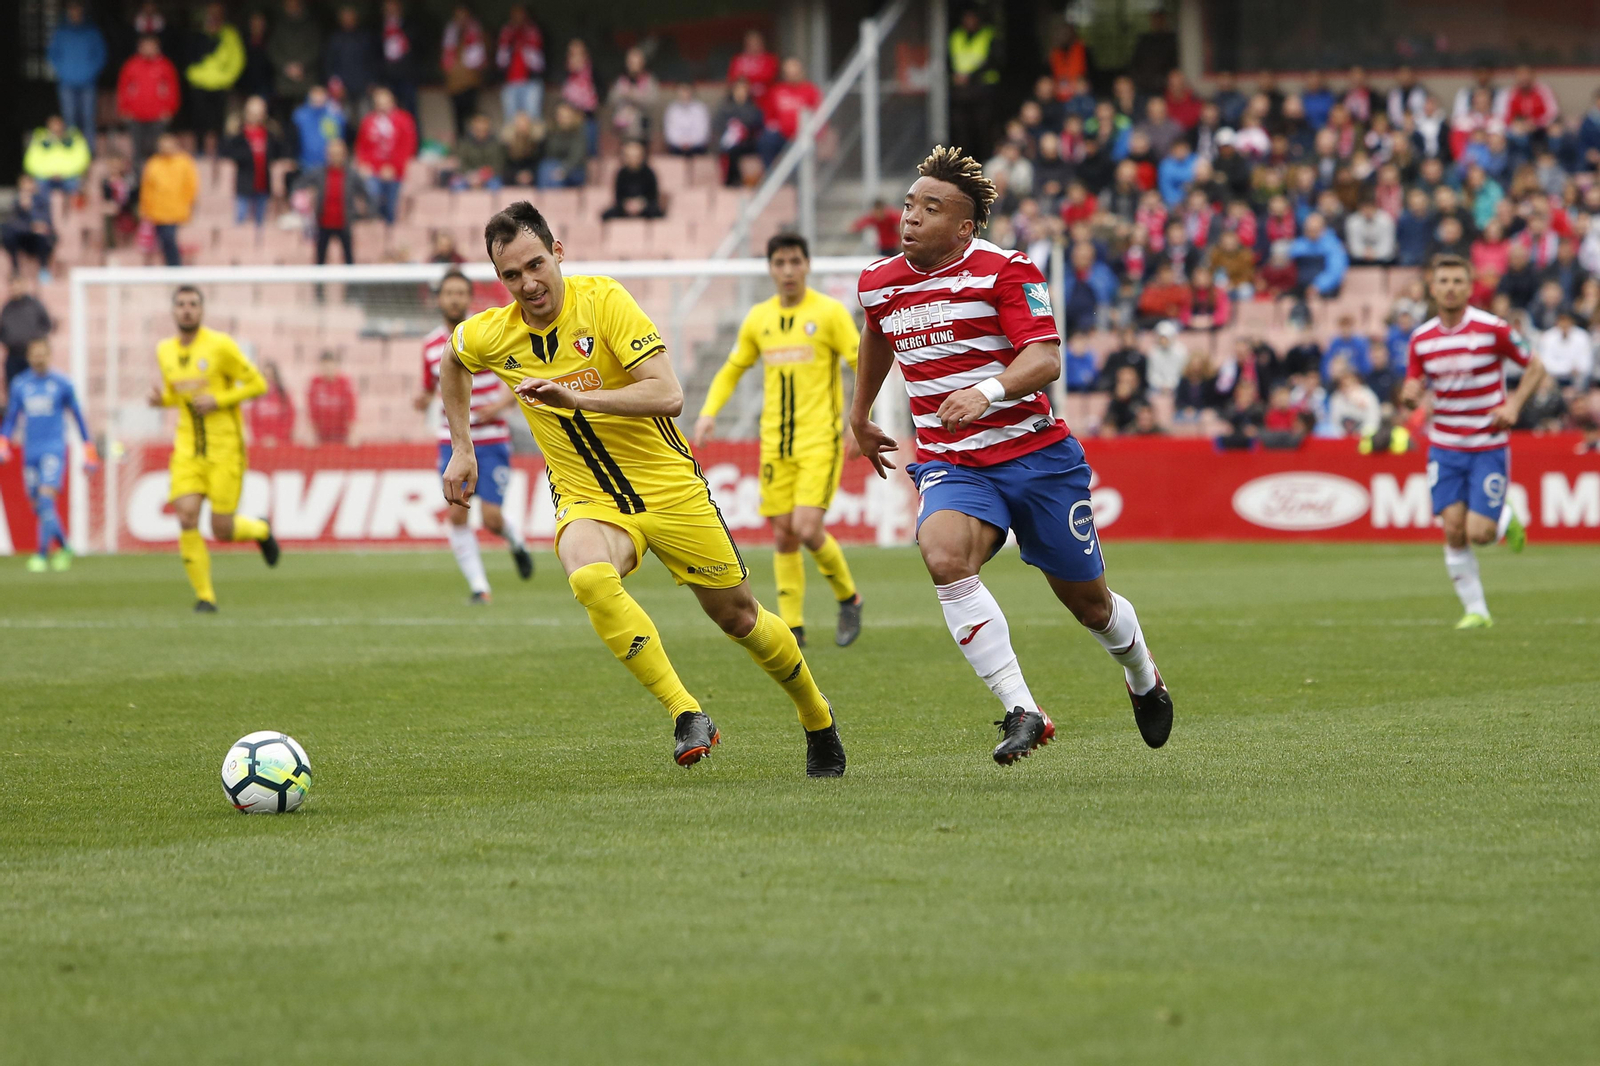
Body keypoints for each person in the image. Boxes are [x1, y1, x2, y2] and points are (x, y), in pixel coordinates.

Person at [440, 201, 846, 777]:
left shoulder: (604, 301)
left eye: (536, 264)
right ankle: (687, 713)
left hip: (671, 491)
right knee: (584, 570)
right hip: (591, 501)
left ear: (558, 253)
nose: (528, 284)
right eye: (511, 275)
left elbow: (668, 394)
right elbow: (453, 363)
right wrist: (462, 446)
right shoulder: (492, 334)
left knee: (740, 620)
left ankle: (816, 714)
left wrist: (579, 398)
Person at [849, 145, 1173, 766]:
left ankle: (1141, 674)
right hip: (954, 462)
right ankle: (1023, 709)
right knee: (942, 554)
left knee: (1090, 606)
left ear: (964, 226)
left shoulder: (1007, 270)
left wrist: (986, 390)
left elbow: (1046, 359)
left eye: (930, 208)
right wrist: (859, 415)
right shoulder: (878, 283)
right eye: (911, 204)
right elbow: (876, 335)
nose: (911, 217)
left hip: (1037, 460)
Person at [693, 235, 863, 648]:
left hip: (819, 440)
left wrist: (861, 420)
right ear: (771, 268)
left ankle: (849, 597)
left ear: (807, 265)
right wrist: (709, 411)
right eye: (780, 263)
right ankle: (794, 627)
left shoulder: (829, 313)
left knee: (806, 527)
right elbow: (733, 368)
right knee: (784, 534)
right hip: (775, 444)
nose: (787, 271)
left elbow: (862, 363)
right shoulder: (759, 319)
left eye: (794, 262)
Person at [1401, 255, 1547, 629]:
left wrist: (1513, 403)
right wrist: (1409, 394)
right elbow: (1412, 385)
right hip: (1445, 445)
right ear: (1433, 289)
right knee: (1453, 529)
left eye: (1457, 281)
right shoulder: (1421, 338)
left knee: (1478, 533)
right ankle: (1477, 610)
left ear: (1469, 287)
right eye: (1444, 281)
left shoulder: (1492, 329)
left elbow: (1536, 366)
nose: (1450, 287)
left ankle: (1504, 517)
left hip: (1487, 443)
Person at [146, 286, 280, 611]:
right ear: (173, 311)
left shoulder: (220, 346)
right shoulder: (164, 350)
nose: (187, 310)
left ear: (202, 310)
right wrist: (161, 400)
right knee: (186, 515)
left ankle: (260, 529)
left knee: (222, 528)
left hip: (225, 448)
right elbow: (177, 394)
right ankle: (205, 596)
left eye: (193, 304)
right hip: (188, 448)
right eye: (181, 305)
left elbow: (258, 384)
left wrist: (219, 400)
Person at [415, 269, 534, 602]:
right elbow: (428, 389)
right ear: (439, 299)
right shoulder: (429, 346)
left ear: (469, 299)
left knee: (492, 519)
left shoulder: (485, 335)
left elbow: (520, 376)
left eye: (460, 293)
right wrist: (421, 399)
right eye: (448, 293)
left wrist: (499, 405)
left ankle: (516, 542)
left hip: (492, 437)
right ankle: (480, 588)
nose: (454, 298)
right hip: (452, 441)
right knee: (457, 512)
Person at [0, 338, 98, 571]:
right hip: (30, 451)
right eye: (34, 354)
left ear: (49, 355)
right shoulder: (21, 384)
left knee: (46, 500)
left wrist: (89, 451)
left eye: (42, 353)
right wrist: (3, 443)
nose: (38, 358)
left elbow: (78, 417)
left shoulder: (62, 383)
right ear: (29, 357)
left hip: (53, 449)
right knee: (39, 506)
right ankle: (64, 547)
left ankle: (42, 555)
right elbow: (12, 417)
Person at [47, 2, 107, 155]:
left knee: (88, 119)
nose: (75, 14)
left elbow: (100, 56)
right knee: (69, 119)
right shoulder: (61, 32)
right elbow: (53, 55)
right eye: (72, 11)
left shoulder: (92, 32)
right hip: (67, 82)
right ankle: (71, 153)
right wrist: (62, 72)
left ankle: (89, 154)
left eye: (77, 11)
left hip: (88, 82)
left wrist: (91, 73)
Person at [297, 138, 367, 267]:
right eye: (332, 154)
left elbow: (366, 194)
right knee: (320, 259)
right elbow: (299, 185)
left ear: (345, 155)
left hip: (344, 222)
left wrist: (365, 214)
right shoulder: (319, 173)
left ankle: (350, 286)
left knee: (349, 258)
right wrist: (304, 198)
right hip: (323, 222)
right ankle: (319, 286)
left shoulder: (352, 175)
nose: (335, 157)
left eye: (338, 153)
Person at [185, 3, 245, 154]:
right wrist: (194, 76)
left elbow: (237, 60)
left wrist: (226, 79)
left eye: (217, 13)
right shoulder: (197, 33)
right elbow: (188, 57)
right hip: (199, 84)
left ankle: (220, 151)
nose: (213, 16)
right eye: (210, 13)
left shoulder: (230, 34)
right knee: (199, 120)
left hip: (221, 85)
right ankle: (199, 150)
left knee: (219, 122)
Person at [354, 87, 418, 225]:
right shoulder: (368, 121)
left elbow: (407, 147)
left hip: (394, 171)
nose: (382, 106)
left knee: (390, 209)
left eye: (385, 102)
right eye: (378, 103)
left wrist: (394, 167)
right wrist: (363, 164)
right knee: (372, 195)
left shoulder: (404, 120)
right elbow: (361, 146)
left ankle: (390, 233)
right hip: (372, 169)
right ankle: (374, 227)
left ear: (392, 102)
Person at [117, 35, 181, 172]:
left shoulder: (165, 66)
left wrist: (170, 109)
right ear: (139, 47)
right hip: (135, 115)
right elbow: (123, 88)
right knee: (137, 150)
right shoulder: (131, 65)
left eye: (151, 45)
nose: (148, 49)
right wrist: (124, 109)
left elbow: (173, 89)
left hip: (158, 116)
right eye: (145, 45)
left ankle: (157, 180)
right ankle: (138, 182)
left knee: (157, 150)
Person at [220, 96, 284, 229]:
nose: (256, 116)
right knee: (240, 220)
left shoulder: (269, 134)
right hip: (245, 183)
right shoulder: (239, 134)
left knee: (261, 224)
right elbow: (226, 152)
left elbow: (279, 152)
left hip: (263, 183)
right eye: (253, 112)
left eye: (260, 112)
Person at [948, 7, 1001, 162]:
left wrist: (970, 76)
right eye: (967, 17)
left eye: (973, 17)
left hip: (983, 91)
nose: (969, 21)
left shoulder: (989, 35)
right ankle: (963, 166)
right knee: (961, 131)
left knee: (983, 130)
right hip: (961, 94)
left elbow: (994, 61)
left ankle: (984, 163)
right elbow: (948, 61)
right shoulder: (956, 37)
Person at [139, 133, 198, 267]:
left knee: (169, 238)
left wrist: (189, 204)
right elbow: (147, 188)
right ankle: (170, 266)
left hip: (176, 210)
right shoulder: (154, 163)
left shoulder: (184, 162)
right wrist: (145, 208)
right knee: (163, 240)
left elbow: (191, 186)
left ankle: (175, 266)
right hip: (157, 211)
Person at [267, 0, 322, 126]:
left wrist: (301, 66)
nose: (292, 8)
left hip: (306, 81)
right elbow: (272, 50)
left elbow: (316, 48)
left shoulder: (310, 25)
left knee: (308, 121)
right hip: (283, 84)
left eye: (295, 5)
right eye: (288, 5)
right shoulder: (278, 26)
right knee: (284, 121)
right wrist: (285, 67)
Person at [757, 57, 821, 166]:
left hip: (803, 135)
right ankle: (771, 176)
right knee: (766, 140)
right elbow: (770, 117)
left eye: (794, 72)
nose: (791, 75)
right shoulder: (777, 91)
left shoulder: (811, 90)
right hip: (781, 135)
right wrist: (777, 128)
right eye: (788, 72)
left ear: (801, 71)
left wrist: (811, 134)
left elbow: (819, 116)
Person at [324, 5, 378, 120]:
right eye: (345, 18)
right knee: (343, 119)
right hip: (342, 87)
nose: (348, 21)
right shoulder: (335, 39)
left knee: (366, 118)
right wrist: (335, 85)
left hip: (363, 85)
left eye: (351, 18)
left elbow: (373, 61)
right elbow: (329, 64)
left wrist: (372, 81)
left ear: (356, 19)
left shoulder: (365, 37)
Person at [440, 5, 487, 138]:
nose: (461, 20)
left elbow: (480, 58)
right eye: (458, 16)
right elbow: (446, 59)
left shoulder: (476, 31)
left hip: (471, 82)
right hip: (454, 83)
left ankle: (475, 142)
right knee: (458, 117)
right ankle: (462, 145)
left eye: (463, 16)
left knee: (473, 116)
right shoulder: (450, 32)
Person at [23, 117, 91, 207]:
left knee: (76, 185)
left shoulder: (74, 139)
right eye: (53, 130)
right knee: (38, 185)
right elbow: (30, 163)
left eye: (59, 130)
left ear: (64, 128)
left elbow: (83, 160)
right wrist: (50, 174)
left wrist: (62, 174)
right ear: (48, 129)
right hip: (46, 178)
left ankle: (71, 216)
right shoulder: (40, 140)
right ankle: (45, 215)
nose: (56, 133)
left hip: (69, 177)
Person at [495, 5, 545, 123]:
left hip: (531, 83)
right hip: (510, 83)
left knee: (533, 119)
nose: (518, 19)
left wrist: (524, 44)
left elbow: (539, 64)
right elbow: (500, 62)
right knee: (510, 120)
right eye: (515, 16)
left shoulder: (534, 31)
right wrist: (509, 43)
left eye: (521, 15)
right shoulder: (506, 31)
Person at [1, 276, 53, 387]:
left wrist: (36, 339)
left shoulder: (35, 304)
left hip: (32, 355)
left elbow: (47, 324)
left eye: (17, 284)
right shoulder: (7, 308)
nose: (15, 288)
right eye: (12, 285)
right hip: (13, 355)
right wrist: (8, 341)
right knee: (13, 387)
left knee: (35, 387)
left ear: (24, 285)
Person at [4, 177, 58, 282]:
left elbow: (46, 222)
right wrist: (25, 212)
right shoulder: (17, 203)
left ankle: (44, 269)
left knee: (42, 235)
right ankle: (16, 269)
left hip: (39, 240)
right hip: (23, 237)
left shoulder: (41, 200)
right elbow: (13, 224)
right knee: (8, 234)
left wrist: (30, 210)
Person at [714, 80, 764, 187]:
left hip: (749, 142)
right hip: (730, 142)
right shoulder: (725, 108)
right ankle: (732, 180)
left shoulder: (753, 107)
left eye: (744, 89)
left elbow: (758, 124)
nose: (741, 92)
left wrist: (744, 130)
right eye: (738, 89)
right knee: (730, 150)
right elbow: (718, 125)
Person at [600, 140, 662, 220]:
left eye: (636, 156)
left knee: (656, 213)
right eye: (629, 156)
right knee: (607, 215)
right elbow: (618, 197)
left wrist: (641, 204)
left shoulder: (649, 173)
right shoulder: (621, 174)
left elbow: (653, 197)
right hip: (625, 207)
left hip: (645, 207)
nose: (632, 159)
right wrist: (626, 205)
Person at [377, 0, 418, 118]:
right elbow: (376, 52)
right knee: (389, 110)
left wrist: (400, 31)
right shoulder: (380, 27)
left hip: (407, 74)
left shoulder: (409, 24)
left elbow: (417, 45)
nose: (391, 11)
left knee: (410, 108)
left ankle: (413, 136)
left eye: (394, 8)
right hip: (388, 74)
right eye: (388, 8)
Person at [608, 46, 658, 143]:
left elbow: (653, 103)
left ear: (642, 63)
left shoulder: (649, 81)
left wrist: (635, 96)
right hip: (623, 131)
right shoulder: (621, 80)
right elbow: (611, 101)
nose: (633, 65)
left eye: (636, 62)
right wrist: (623, 94)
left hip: (642, 131)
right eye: (631, 62)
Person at [291, 84, 346, 171]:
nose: (318, 99)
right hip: (305, 163)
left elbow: (337, 139)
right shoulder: (300, 115)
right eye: (315, 96)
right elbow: (293, 139)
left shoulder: (334, 116)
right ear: (309, 97)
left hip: (329, 165)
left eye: (321, 96)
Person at [307, 350, 357, 444]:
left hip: (342, 437)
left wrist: (352, 434)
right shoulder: (315, 383)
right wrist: (311, 434)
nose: (328, 369)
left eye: (330, 365)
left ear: (336, 365)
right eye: (324, 366)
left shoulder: (345, 383)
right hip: (321, 438)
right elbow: (312, 411)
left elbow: (351, 410)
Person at [1538, 308, 1593, 389]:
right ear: (1557, 321)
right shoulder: (1548, 337)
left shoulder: (1582, 337)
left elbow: (1586, 365)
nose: (1564, 324)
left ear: (1572, 321)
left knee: (1582, 381)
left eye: (1567, 320)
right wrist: (1568, 368)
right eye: (1562, 320)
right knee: (1545, 381)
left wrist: (1573, 370)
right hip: (1554, 379)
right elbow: (1546, 364)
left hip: (1576, 380)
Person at [537, 102, 588, 189]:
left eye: (565, 116)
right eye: (560, 116)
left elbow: (576, 157)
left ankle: (554, 200)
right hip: (554, 166)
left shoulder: (578, 134)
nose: (562, 119)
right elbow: (548, 153)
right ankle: (545, 199)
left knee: (554, 174)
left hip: (575, 170)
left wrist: (564, 170)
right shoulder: (552, 132)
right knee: (545, 167)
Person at [450, 113, 506, 191]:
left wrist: (483, 175)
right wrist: (471, 176)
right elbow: (462, 164)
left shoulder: (496, 144)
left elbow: (498, 164)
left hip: (490, 176)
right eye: (478, 129)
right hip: (469, 175)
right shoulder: (465, 143)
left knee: (495, 186)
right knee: (457, 186)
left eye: (484, 129)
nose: (481, 132)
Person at [249, 361, 296, 445]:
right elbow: (253, 421)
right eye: (265, 376)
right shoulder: (256, 397)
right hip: (262, 444)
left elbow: (290, 418)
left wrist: (277, 438)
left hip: (282, 444)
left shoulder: (283, 395)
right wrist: (262, 438)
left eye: (271, 376)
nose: (268, 379)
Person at [726, 29, 778, 104]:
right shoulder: (738, 59)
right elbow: (732, 78)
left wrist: (745, 77)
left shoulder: (769, 59)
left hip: (765, 99)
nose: (753, 45)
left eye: (756, 42)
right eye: (750, 43)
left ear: (762, 44)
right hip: (743, 100)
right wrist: (753, 78)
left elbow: (768, 76)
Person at [663, 83, 710, 157]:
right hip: (677, 147)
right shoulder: (672, 109)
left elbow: (703, 132)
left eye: (687, 90)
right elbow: (669, 133)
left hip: (696, 147)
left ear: (692, 91)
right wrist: (682, 143)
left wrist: (690, 143)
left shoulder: (700, 108)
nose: (685, 93)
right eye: (682, 90)